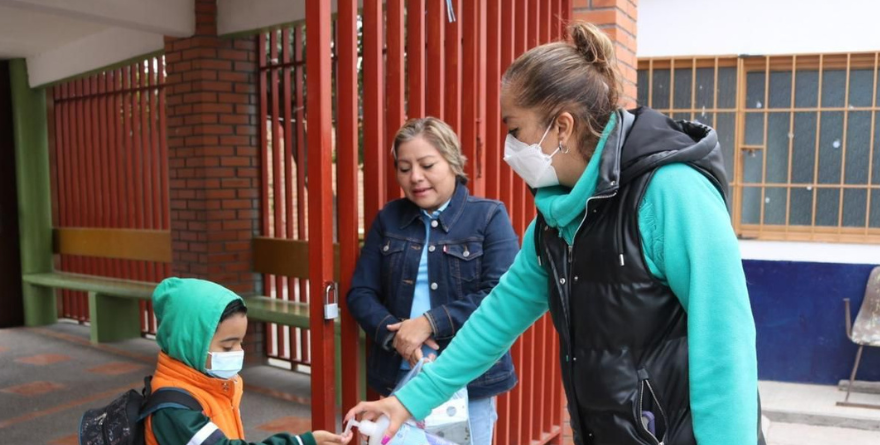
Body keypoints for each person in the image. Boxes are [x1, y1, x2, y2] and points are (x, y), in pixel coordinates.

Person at [345, 22, 765, 445]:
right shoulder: (556, 219)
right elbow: (495, 319)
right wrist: (407, 402)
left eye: (515, 130)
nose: (509, 147)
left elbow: (724, 344)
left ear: (562, 127)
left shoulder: (670, 192)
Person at [346, 117, 519, 445]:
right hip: (400, 375)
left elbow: (501, 295)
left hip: (467, 379)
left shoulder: (488, 216)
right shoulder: (389, 218)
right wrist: (397, 336)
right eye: (404, 168)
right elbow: (361, 293)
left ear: (452, 162)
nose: (415, 177)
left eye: (427, 165)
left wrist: (429, 322)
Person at [145, 277, 352, 445]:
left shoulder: (209, 385)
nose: (238, 352)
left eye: (240, 342)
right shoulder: (174, 409)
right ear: (189, 343)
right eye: (228, 346)